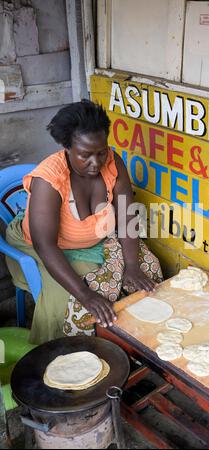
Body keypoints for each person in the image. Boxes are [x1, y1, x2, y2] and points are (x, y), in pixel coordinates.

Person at [6, 100, 163, 344]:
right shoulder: (49, 180)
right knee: (77, 300)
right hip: (46, 246)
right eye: (85, 155)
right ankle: (74, 356)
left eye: (101, 152)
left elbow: (126, 215)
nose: (96, 162)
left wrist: (132, 264)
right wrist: (84, 294)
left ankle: (134, 345)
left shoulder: (113, 162)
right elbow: (45, 245)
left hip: (96, 238)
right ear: (67, 148)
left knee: (148, 266)